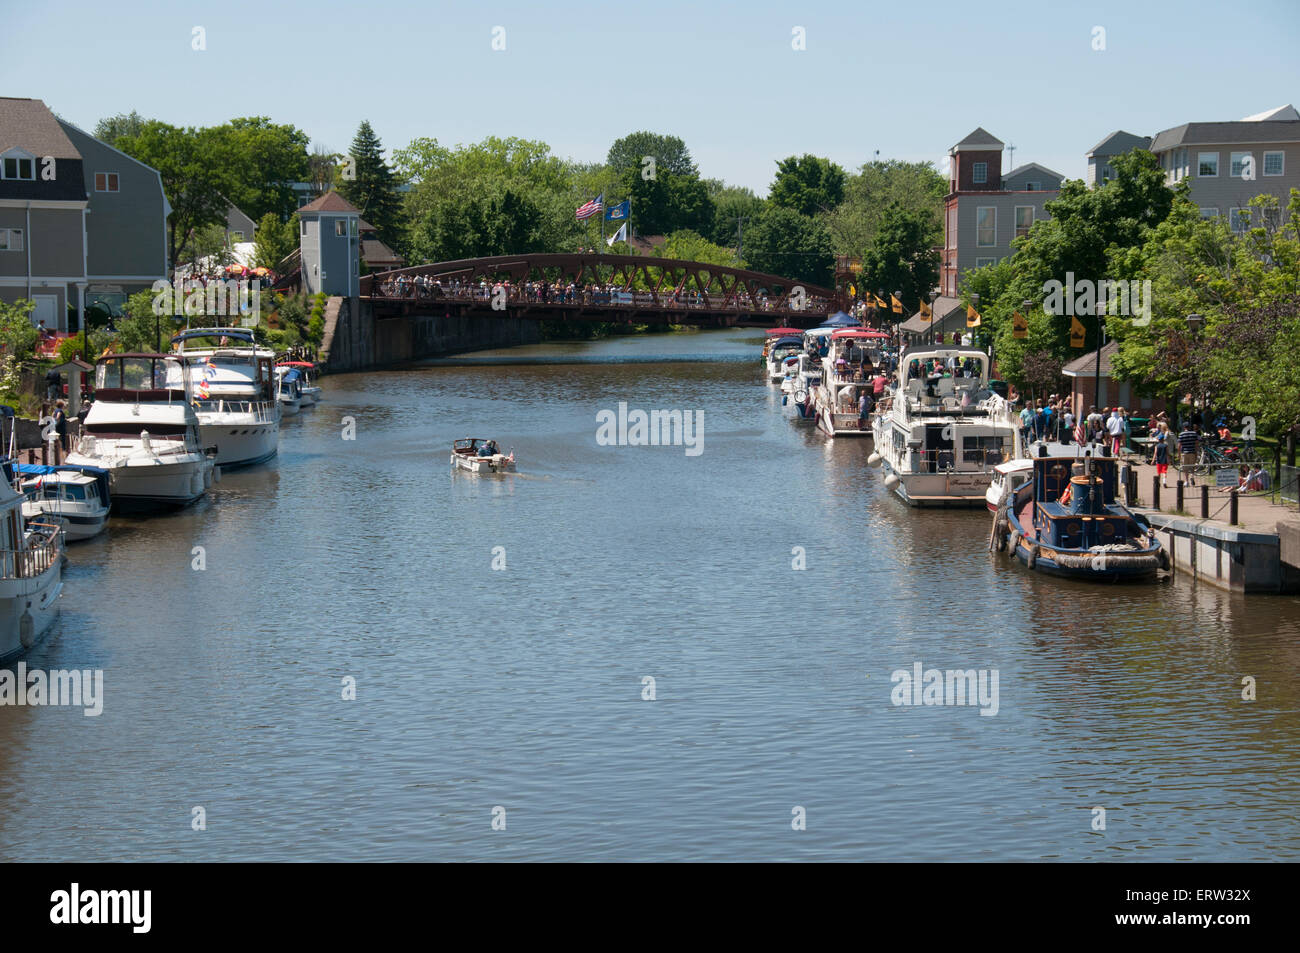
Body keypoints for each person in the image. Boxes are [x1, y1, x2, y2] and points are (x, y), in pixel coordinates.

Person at [1151, 421, 1170, 488]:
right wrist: (1168, 460)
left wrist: (1153, 460)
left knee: (1159, 472)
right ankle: (1164, 481)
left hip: (1158, 461)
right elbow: (1167, 454)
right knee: (1164, 472)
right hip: (1164, 460)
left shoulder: (1157, 446)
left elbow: (1155, 454)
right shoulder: (1166, 445)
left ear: (1159, 440)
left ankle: (1158, 482)